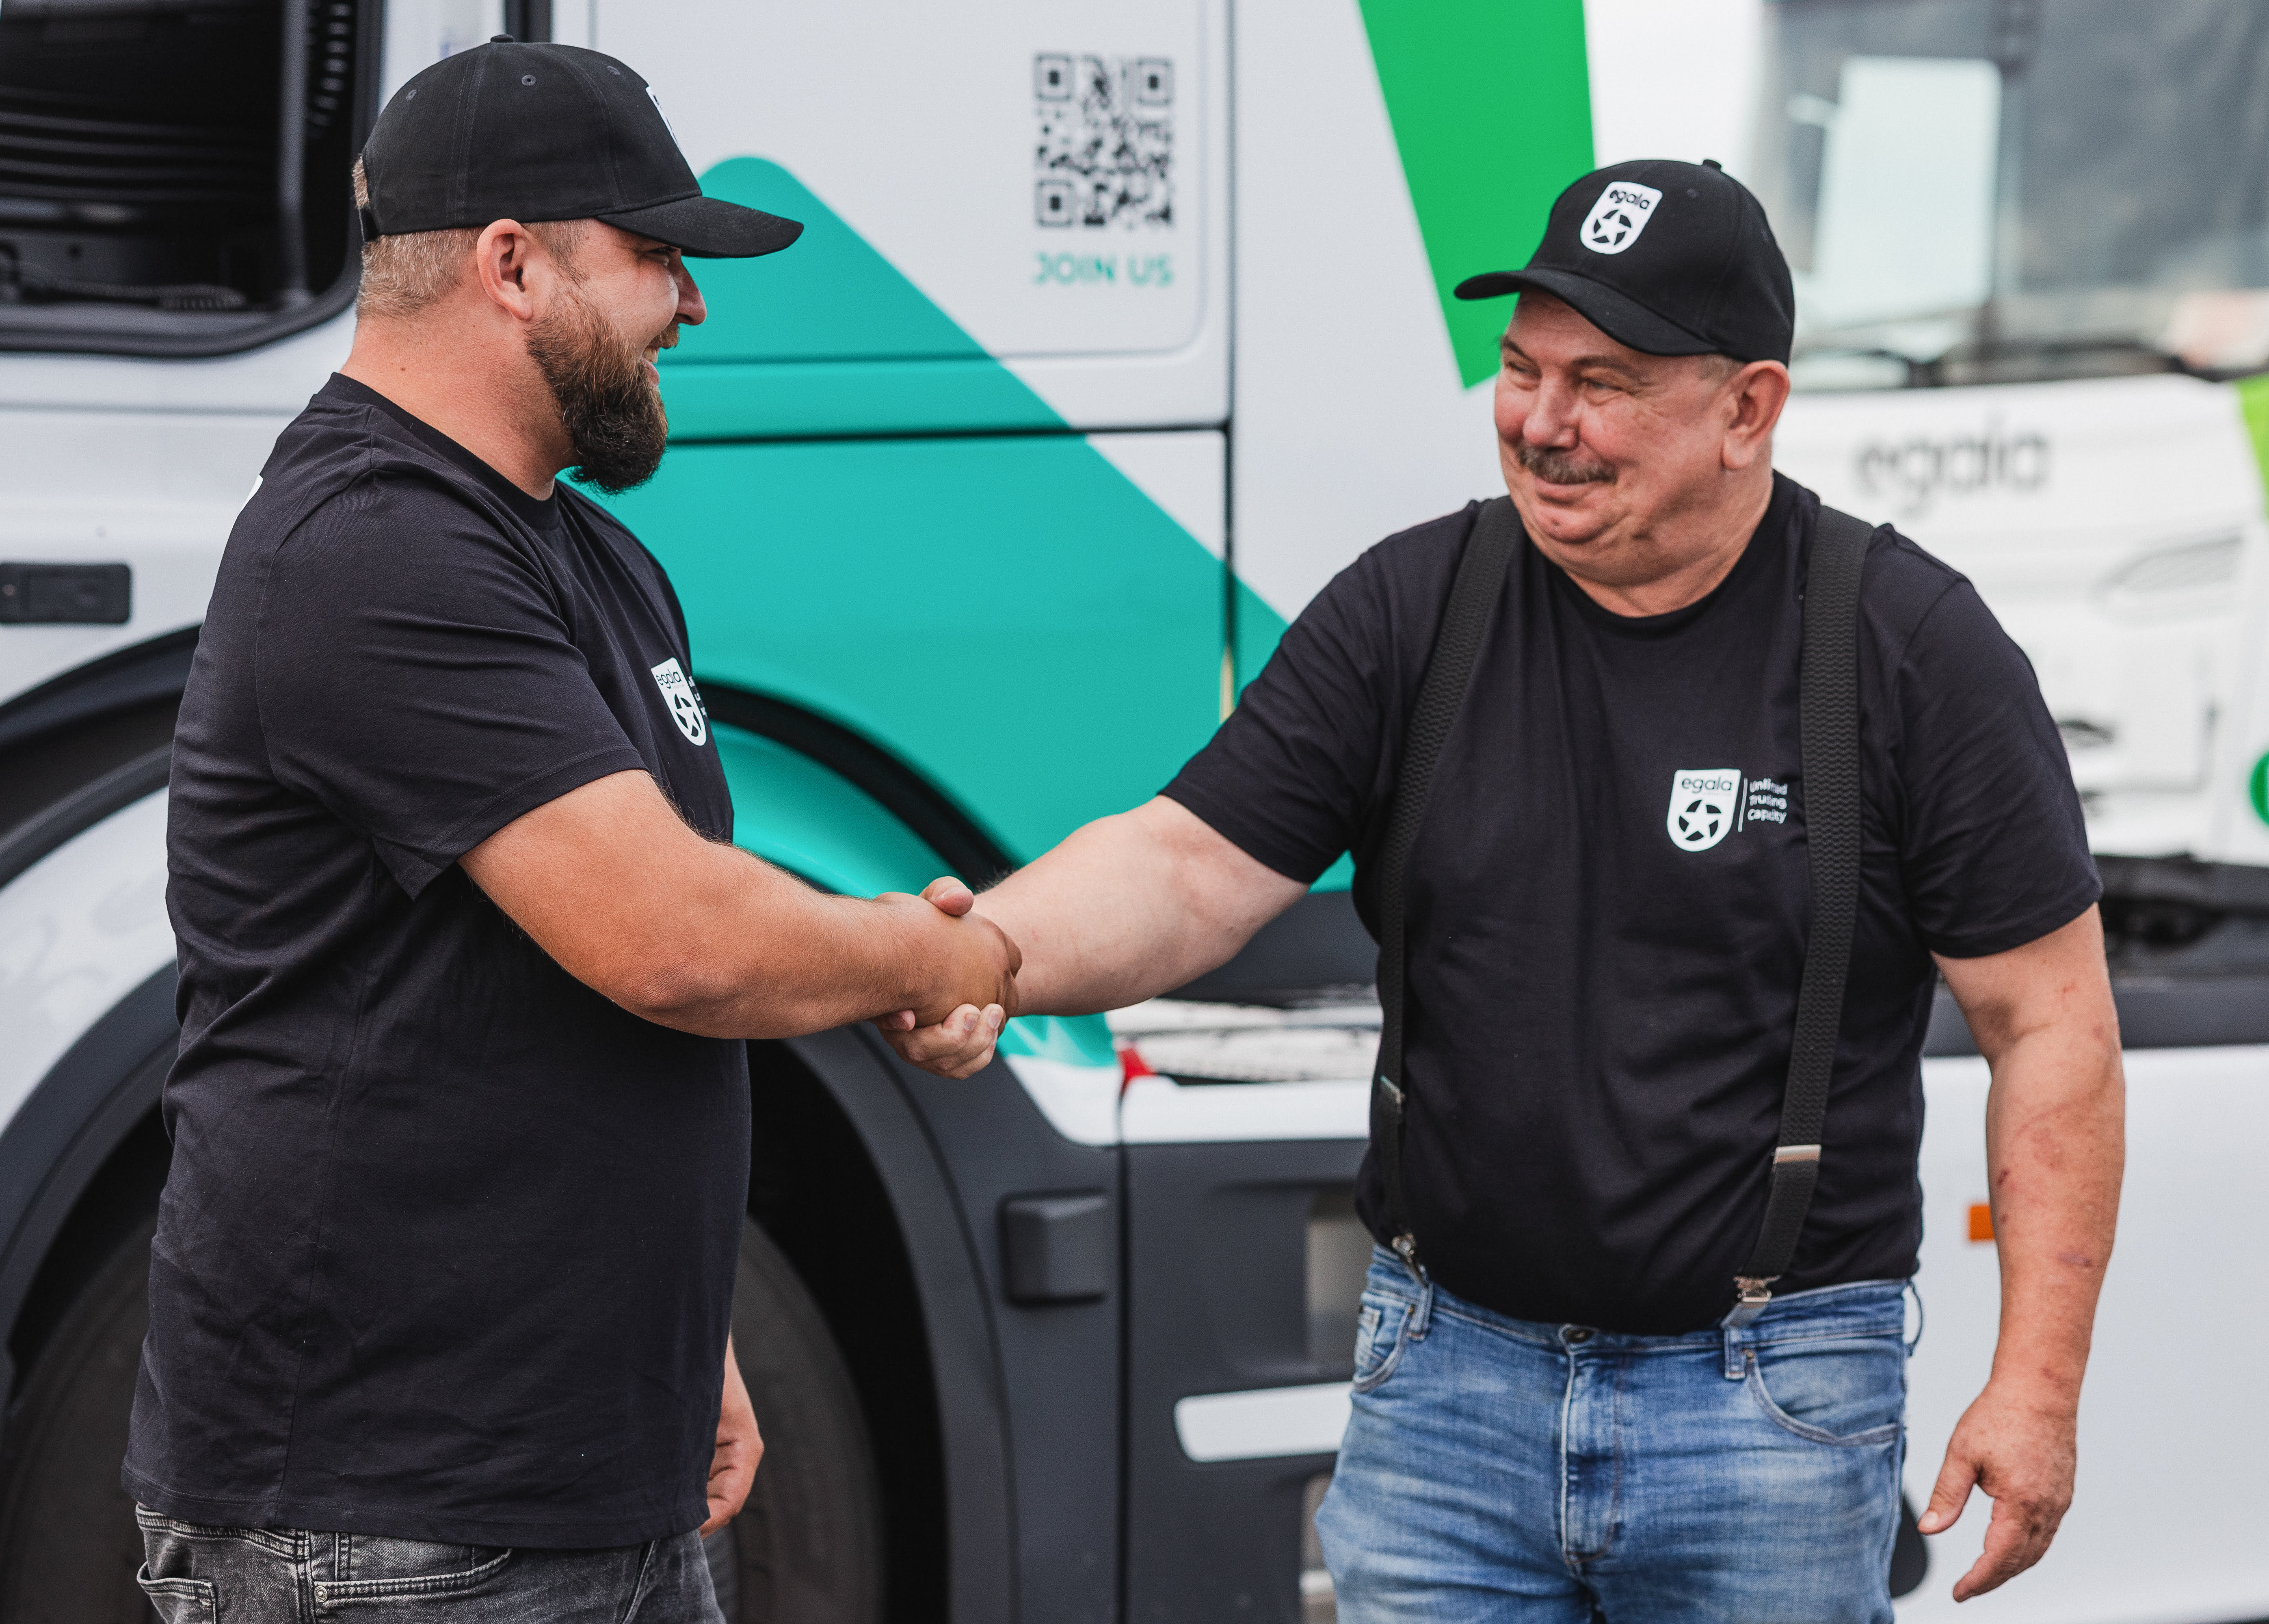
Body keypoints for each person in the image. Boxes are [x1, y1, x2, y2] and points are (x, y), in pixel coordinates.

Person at [884, 160, 2123, 1621]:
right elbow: (1189, 863)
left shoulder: (1911, 650)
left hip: (1773, 1404)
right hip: (1445, 1389)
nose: (1544, 423)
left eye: (1604, 382)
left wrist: (2035, 1388)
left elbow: (2049, 1023)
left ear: (1750, 410)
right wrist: (997, 954)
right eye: (1522, 368)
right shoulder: (1417, 611)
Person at [125, 39, 1017, 1623]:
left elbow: (559, 1005)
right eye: (657, 256)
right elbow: (671, 941)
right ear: (513, 263)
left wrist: (685, 1337)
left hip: (593, 1474)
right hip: (390, 1521)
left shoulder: (588, 561)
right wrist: (924, 951)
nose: (693, 302)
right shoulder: (372, 548)